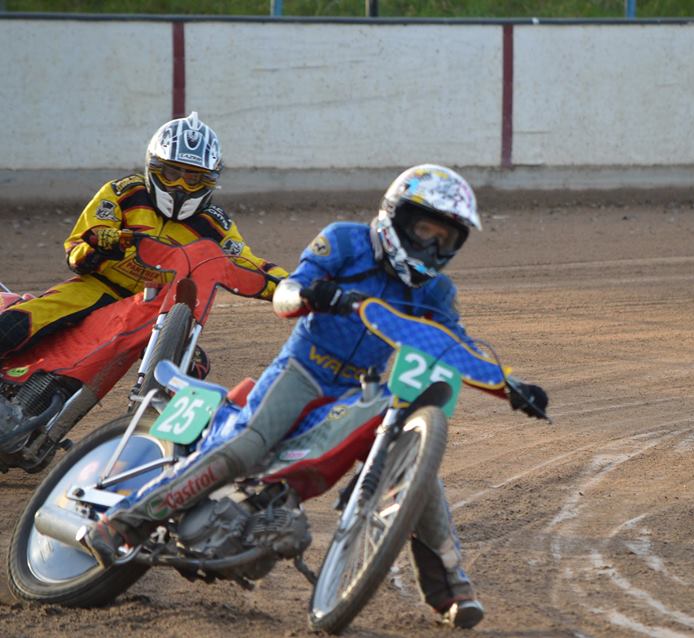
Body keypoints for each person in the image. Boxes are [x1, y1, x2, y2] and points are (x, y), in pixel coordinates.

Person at [80, 164, 549, 629]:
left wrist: (511, 386)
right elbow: (287, 291)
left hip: (357, 390)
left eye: (445, 240)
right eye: (426, 230)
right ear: (398, 216)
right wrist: (311, 294)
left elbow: (455, 344)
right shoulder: (345, 240)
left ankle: (451, 586)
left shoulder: (437, 291)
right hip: (303, 370)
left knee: (413, 469)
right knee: (246, 447)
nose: (432, 246)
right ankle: (123, 521)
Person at [0, 112, 287, 368]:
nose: (180, 186)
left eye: (193, 178)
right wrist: (99, 246)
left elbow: (248, 265)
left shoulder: (215, 224)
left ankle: (146, 412)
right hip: (97, 288)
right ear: (154, 166)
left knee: (193, 366)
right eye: (172, 173)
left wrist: (294, 286)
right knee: (17, 324)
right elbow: (76, 255)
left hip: (155, 309)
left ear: (209, 181)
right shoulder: (123, 193)